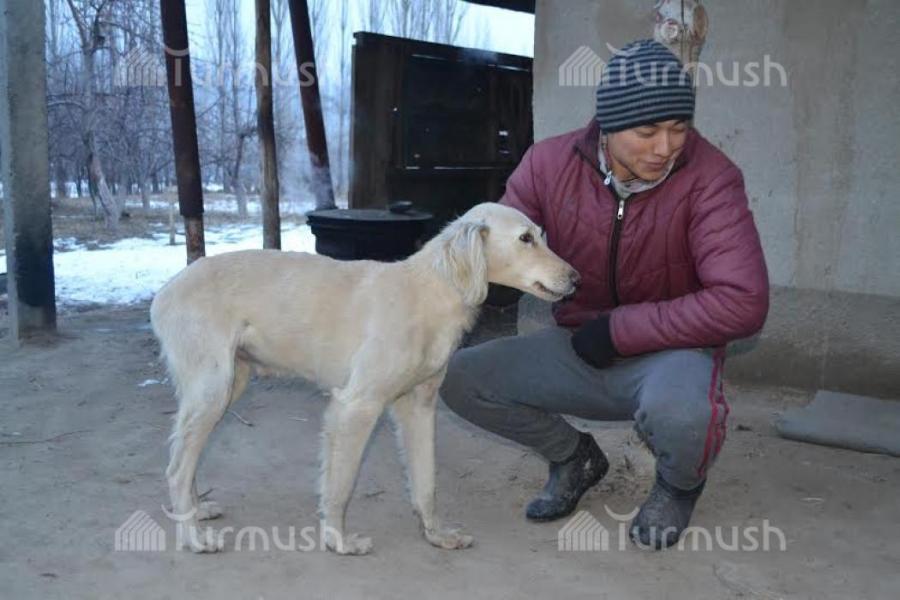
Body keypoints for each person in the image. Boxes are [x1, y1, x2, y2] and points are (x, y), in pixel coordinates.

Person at [439, 39, 769, 549]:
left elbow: (743, 300)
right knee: (459, 377)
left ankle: (678, 487)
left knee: (686, 415)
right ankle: (575, 458)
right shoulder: (548, 165)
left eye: (679, 127)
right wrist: (490, 285)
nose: (665, 147)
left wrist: (619, 331)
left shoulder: (711, 178)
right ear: (609, 125)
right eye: (647, 132)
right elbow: (503, 241)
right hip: (577, 347)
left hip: (672, 353)